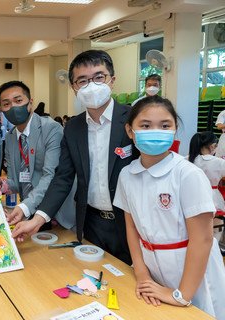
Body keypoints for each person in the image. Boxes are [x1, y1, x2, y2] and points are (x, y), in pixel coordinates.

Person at [12, 50, 139, 265]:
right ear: (74, 88)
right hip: (91, 223)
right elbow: (63, 177)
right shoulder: (73, 127)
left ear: (112, 80)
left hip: (131, 223)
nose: (91, 85)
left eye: (99, 77)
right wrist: (38, 219)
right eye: (82, 81)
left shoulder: (134, 119)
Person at [113, 96, 225, 319]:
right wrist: (142, 273)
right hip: (152, 267)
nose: (156, 131)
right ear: (130, 130)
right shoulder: (127, 174)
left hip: (192, 272)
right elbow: (131, 227)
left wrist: (182, 294)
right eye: (145, 125)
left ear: (174, 129)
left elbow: (202, 239)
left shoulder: (188, 174)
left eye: (165, 125)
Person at [0, 81, 76, 231]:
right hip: (29, 212)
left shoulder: (51, 129)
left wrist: (25, 206)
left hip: (57, 213)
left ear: (30, 102)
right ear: (1, 108)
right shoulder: (11, 137)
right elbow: (16, 181)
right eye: (6, 104)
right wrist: (3, 184)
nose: (13, 107)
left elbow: (51, 175)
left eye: (18, 101)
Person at [188, 131, 225, 253]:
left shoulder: (188, 159)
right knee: (214, 235)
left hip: (192, 198)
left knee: (193, 234)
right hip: (214, 199)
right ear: (212, 145)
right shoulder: (219, 162)